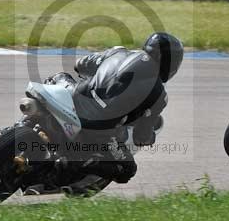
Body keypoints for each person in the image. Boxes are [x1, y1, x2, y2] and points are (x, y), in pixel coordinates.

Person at [47, 32, 184, 184]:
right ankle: (73, 166)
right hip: (100, 130)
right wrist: (149, 137)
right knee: (127, 169)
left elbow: (80, 64)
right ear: (171, 63)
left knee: (60, 77)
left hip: (75, 100)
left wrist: (102, 75)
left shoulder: (118, 52)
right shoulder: (160, 95)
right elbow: (140, 136)